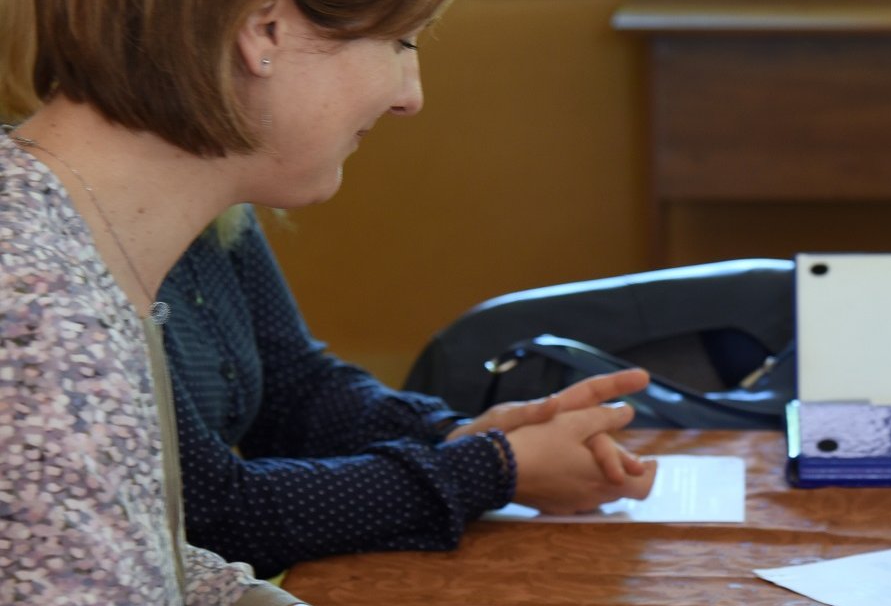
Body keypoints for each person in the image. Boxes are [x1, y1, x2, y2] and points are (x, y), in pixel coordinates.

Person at [0, 0, 616, 606]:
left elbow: (108, 596)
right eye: (400, 38)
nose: (411, 93)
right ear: (263, 25)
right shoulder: (35, 315)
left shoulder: (64, 238)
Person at [161, 208, 657, 578]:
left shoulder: (220, 213)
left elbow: (294, 391)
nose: (409, 97)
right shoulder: (93, 259)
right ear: (250, 61)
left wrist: (453, 433)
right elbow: (209, 518)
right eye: (394, 59)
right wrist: (490, 466)